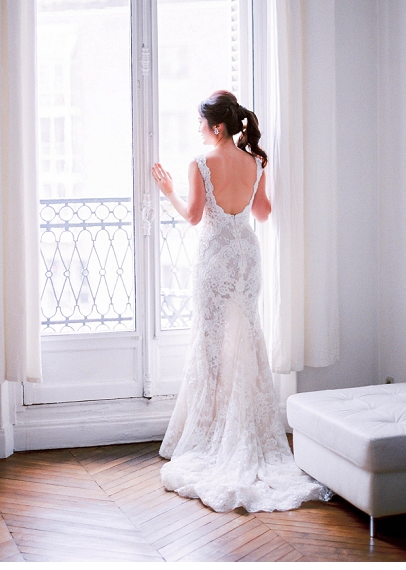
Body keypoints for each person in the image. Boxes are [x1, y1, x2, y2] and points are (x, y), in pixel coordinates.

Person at [151, 90, 330, 513]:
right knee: (248, 338)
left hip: (215, 256)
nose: (197, 130)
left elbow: (194, 217)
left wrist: (168, 192)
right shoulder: (257, 162)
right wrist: (251, 191)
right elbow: (263, 214)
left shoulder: (200, 163)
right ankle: (244, 426)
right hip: (247, 256)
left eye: (200, 123)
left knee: (211, 344)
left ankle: (211, 432)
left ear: (216, 127)